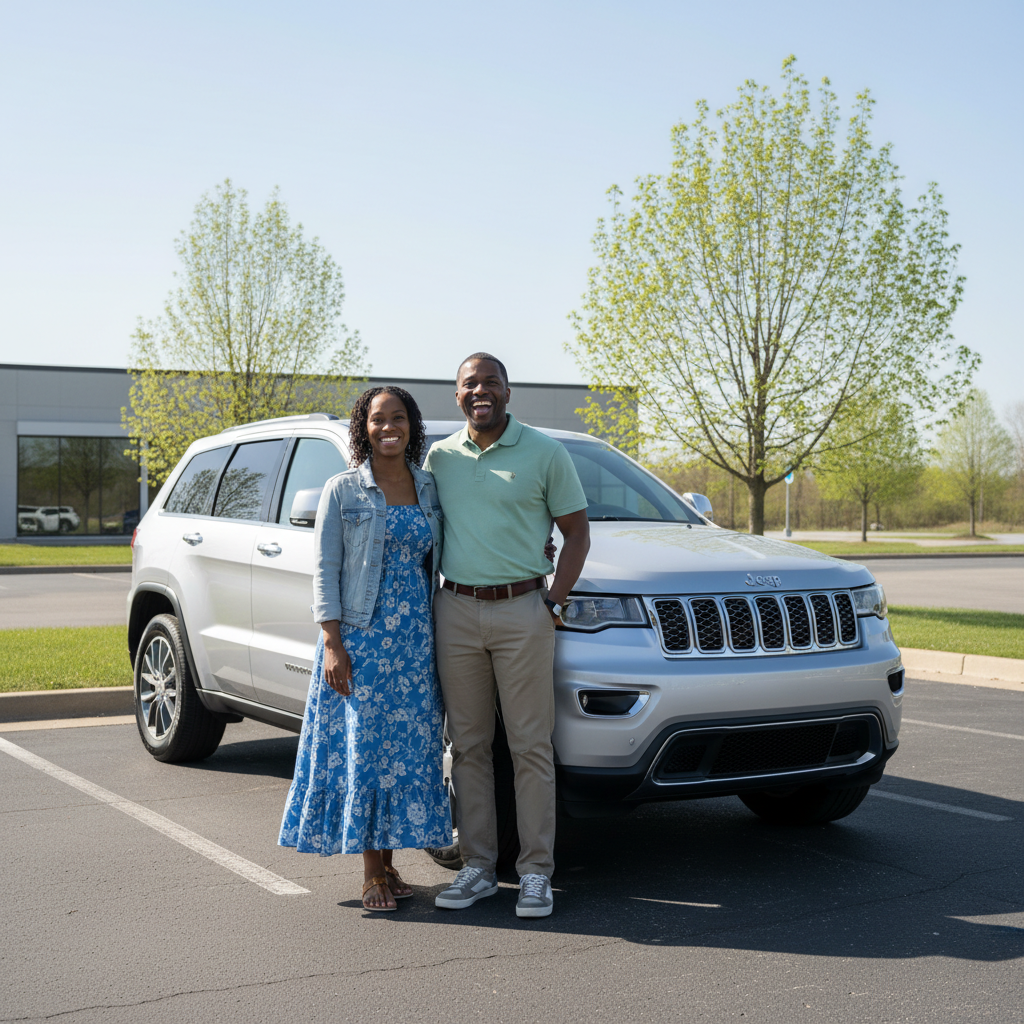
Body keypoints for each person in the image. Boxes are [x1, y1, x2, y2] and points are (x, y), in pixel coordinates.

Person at [425, 353, 591, 919]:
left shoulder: (546, 452)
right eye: (470, 385)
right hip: (456, 609)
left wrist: (553, 602)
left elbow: (576, 535)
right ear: (457, 396)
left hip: (525, 610)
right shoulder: (440, 457)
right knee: (467, 746)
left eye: (490, 383)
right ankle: (476, 866)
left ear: (507, 391)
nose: (480, 392)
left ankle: (536, 873)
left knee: (530, 747)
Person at [278, 386, 452, 911]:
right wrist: (332, 641)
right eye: (378, 419)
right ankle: (371, 870)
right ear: (365, 427)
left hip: (416, 640)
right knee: (367, 749)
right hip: (361, 637)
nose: (388, 428)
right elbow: (324, 570)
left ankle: (392, 861)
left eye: (398, 418)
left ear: (411, 425)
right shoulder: (343, 489)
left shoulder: (429, 486)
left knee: (407, 750)